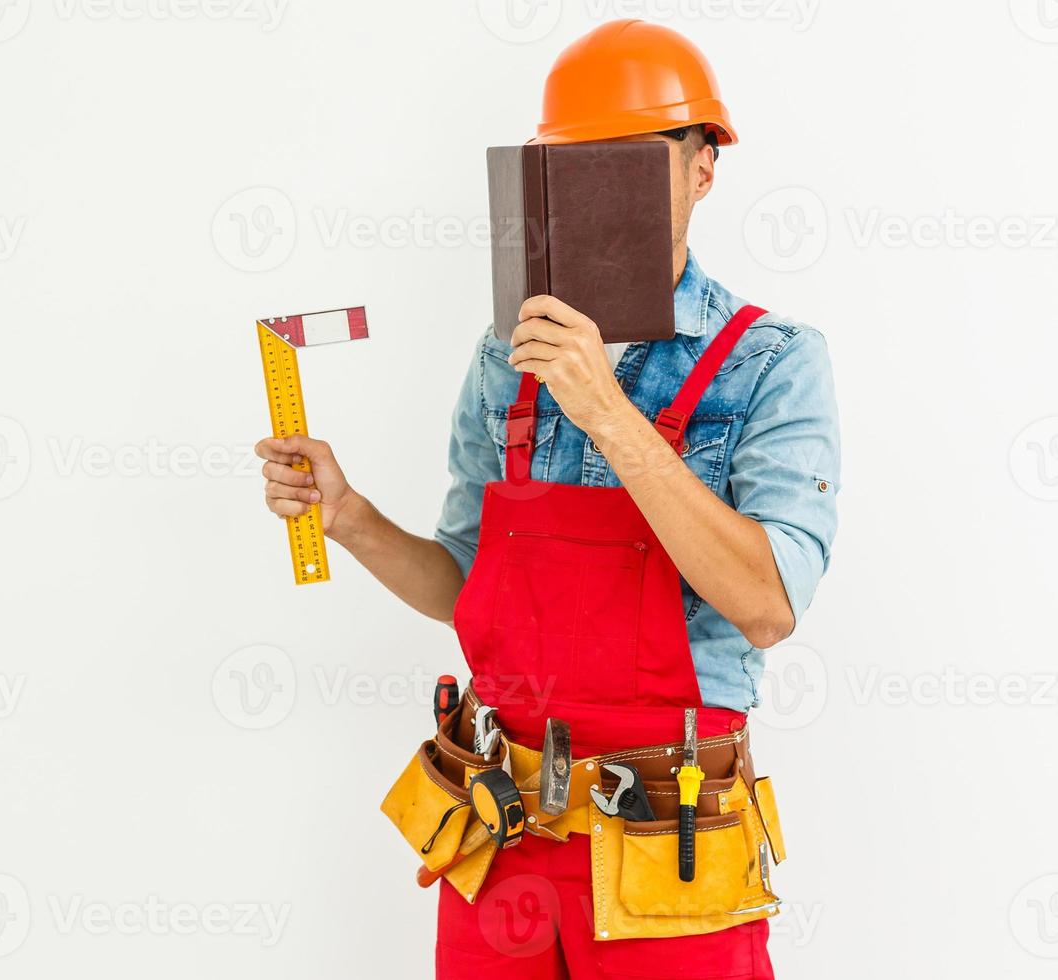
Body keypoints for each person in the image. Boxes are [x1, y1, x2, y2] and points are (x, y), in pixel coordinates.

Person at [254, 19, 838, 979]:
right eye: (580, 162)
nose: (608, 189)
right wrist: (348, 514)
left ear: (703, 169)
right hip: (499, 837)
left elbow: (769, 605)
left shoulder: (771, 362)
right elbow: (465, 585)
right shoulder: (506, 357)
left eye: (640, 157)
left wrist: (608, 412)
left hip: (668, 853)